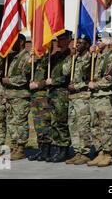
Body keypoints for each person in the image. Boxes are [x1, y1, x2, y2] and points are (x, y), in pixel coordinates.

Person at [86, 32, 112, 167]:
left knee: (106, 126)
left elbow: (109, 79)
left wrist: (96, 84)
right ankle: (100, 152)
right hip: (95, 97)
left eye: (102, 39)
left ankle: (108, 153)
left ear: (110, 41)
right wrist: (90, 55)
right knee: (95, 126)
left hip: (105, 96)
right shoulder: (96, 56)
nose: (99, 41)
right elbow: (84, 70)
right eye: (98, 39)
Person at [1, 34, 31, 161]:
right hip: (11, 97)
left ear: (22, 42)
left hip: (21, 97)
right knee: (12, 123)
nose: (11, 44)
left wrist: (9, 80)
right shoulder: (13, 57)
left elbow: (25, 78)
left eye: (14, 41)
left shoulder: (27, 57)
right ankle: (14, 146)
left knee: (20, 123)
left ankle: (21, 148)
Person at [64, 35, 92, 165]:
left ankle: (85, 152)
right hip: (73, 97)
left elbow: (89, 77)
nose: (78, 45)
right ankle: (77, 152)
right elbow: (65, 72)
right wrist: (71, 57)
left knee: (83, 125)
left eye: (81, 43)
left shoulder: (89, 58)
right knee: (73, 125)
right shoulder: (75, 57)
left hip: (82, 96)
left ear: (87, 45)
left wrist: (76, 86)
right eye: (78, 42)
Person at [45, 30, 72, 162]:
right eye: (57, 39)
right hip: (53, 93)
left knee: (61, 122)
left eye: (61, 39)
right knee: (54, 122)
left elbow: (67, 76)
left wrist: (54, 81)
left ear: (68, 40)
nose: (58, 42)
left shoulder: (70, 56)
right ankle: (57, 147)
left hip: (62, 93)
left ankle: (64, 149)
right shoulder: (55, 56)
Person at [27, 51, 52, 161]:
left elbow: (50, 79)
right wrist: (29, 62)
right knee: (38, 125)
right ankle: (41, 150)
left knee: (44, 124)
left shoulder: (49, 60)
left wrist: (38, 84)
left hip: (43, 96)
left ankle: (47, 151)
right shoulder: (35, 61)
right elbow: (25, 73)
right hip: (34, 97)